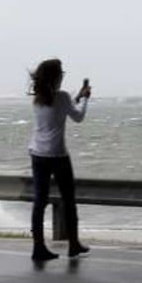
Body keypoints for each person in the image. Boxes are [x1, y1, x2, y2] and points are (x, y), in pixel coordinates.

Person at [27, 58, 91, 262]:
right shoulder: (62, 97)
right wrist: (86, 98)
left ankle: (38, 247)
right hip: (57, 155)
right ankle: (73, 244)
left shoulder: (38, 98)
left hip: (37, 153)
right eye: (61, 73)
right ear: (56, 77)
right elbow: (78, 117)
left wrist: (77, 97)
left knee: (40, 201)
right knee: (69, 201)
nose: (63, 76)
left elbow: (62, 107)